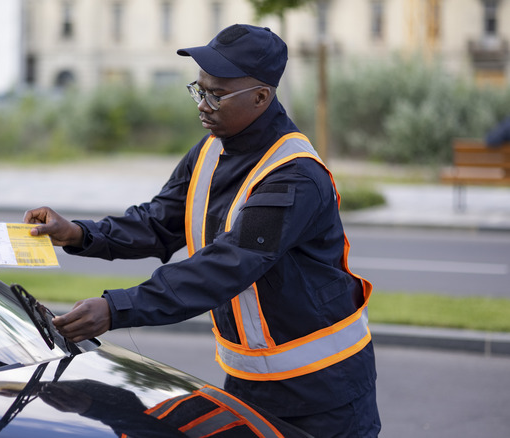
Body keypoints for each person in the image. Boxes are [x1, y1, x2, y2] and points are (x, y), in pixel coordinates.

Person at [24, 24, 380, 437]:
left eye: (216, 95)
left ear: (261, 97)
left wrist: (116, 308)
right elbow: (158, 221)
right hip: (249, 385)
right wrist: (79, 234)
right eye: (199, 89)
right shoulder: (211, 150)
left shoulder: (293, 177)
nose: (203, 105)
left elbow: (228, 265)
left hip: (325, 394)